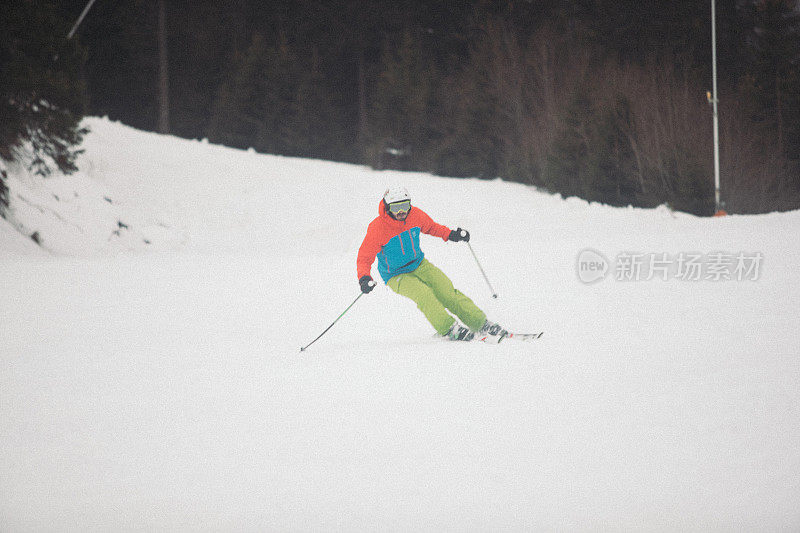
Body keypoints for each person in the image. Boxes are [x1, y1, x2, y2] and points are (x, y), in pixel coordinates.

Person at [357, 186, 508, 342]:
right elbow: (364, 257)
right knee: (424, 294)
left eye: (405, 206)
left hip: (419, 264)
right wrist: (364, 277)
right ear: (388, 208)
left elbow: (431, 227)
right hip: (395, 275)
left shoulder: (415, 215)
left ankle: (480, 323)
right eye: (396, 208)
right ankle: (449, 328)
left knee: (446, 291)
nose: (401, 212)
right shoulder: (378, 228)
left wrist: (450, 234)